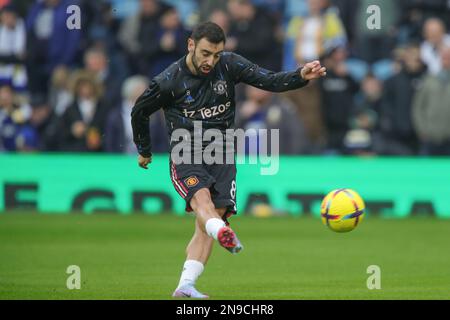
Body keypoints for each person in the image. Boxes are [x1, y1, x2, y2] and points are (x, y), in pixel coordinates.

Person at [130, 22, 326, 298]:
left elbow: (267, 80)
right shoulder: (169, 80)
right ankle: (222, 232)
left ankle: (186, 285)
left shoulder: (229, 65)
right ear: (191, 45)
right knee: (203, 203)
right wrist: (144, 149)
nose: (211, 61)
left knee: (207, 222)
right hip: (186, 151)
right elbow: (139, 111)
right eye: (206, 53)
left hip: (222, 151)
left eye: (217, 54)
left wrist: (300, 76)